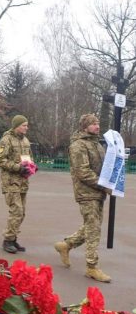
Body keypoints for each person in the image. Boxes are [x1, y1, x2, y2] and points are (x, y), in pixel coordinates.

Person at [54, 114, 111, 283]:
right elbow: (83, 172)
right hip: (86, 192)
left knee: (92, 226)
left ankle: (66, 245)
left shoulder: (97, 144)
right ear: (84, 127)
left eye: (98, 123)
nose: (97, 126)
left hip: (97, 191)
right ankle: (92, 267)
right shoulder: (78, 145)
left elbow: (103, 167)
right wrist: (104, 185)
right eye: (93, 124)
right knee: (93, 228)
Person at [0, 115, 33, 254]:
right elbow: (1, 160)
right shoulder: (6, 140)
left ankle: (13, 239)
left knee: (21, 212)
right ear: (16, 126)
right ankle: (7, 241)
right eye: (24, 125)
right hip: (11, 181)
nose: (26, 127)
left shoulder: (25, 140)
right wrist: (18, 167)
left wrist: (31, 166)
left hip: (23, 181)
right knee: (16, 211)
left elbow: (29, 157)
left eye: (26, 125)